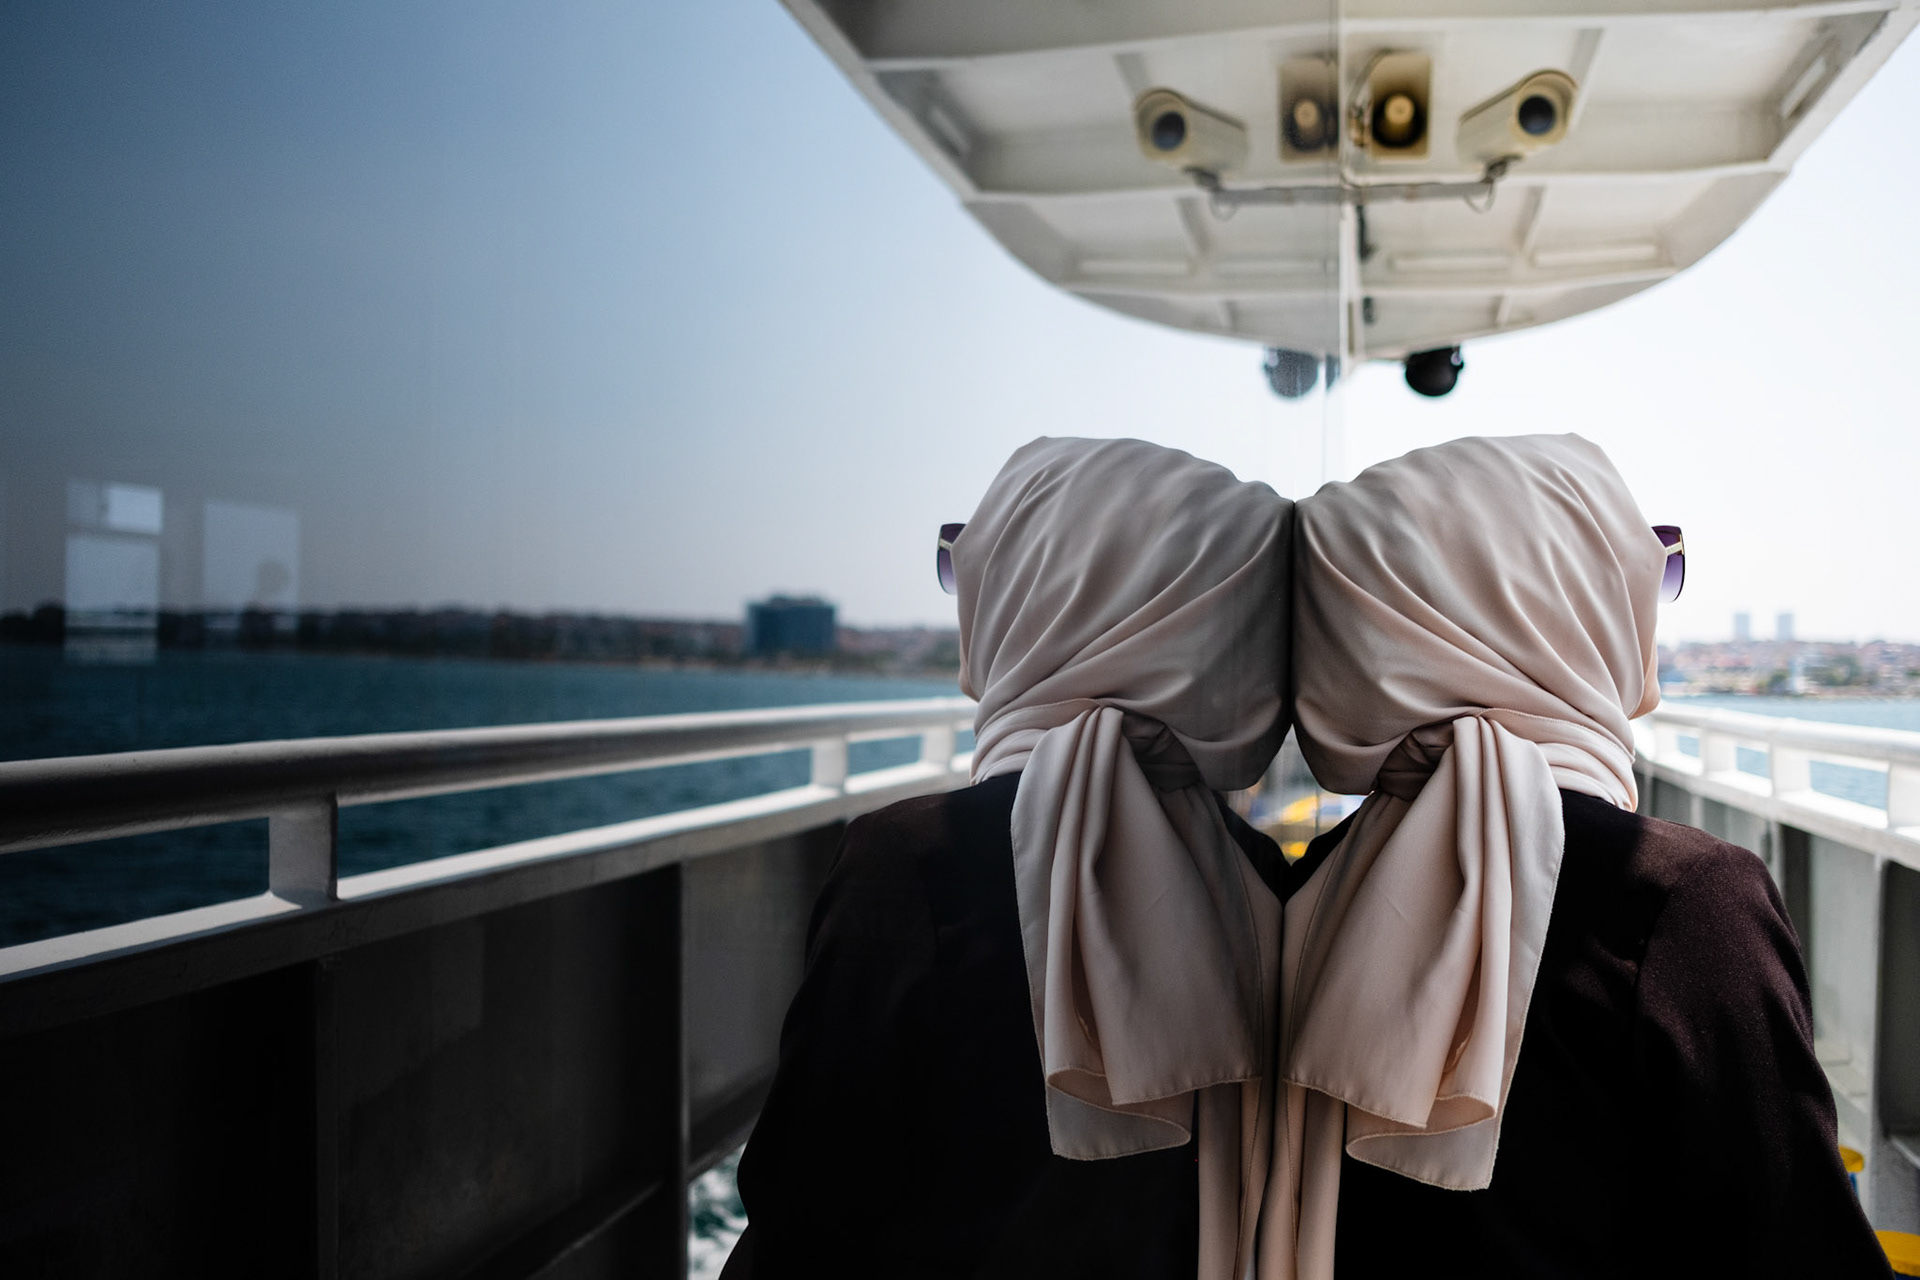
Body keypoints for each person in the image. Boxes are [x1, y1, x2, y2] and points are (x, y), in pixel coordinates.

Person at [1260, 434, 1887, 1278]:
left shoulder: (1319, 874)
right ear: (1558, 602)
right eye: (1642, 574)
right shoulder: (1679, 899)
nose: (1651, 607)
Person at [723, 436, 1293, 1279]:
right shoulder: (1263, 872)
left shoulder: (914, 862)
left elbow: (805, 1198)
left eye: (972, 565)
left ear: (1040, 594)